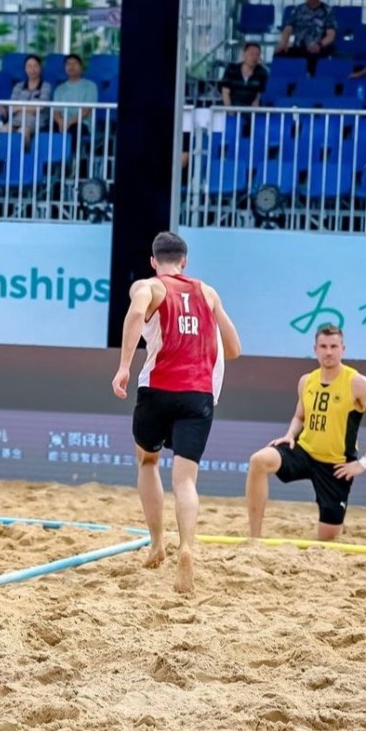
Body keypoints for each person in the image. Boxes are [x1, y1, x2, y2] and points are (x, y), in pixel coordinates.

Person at [111, 232, 241, 594]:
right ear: (184, 261)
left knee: (147, 461)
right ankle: (187, 547)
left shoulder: (150, 287)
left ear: (154, 261)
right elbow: (234, 348)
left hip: (158, 388)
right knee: (185, 481)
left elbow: (135, 315)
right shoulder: (207, 292)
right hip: (198, 393)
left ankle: (157, 542)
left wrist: (123, 367)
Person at [245, 324, 366, 542]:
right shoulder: (306, 381)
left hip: (336, 465)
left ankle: (334, 523)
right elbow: (300, 416)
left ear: (343, 349)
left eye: (334, 346)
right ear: (315, 349)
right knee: (259, 461)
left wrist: (362, 463)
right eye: (323, 346)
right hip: (304, 451)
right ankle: (254, 538)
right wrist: (290, 434)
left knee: (328, 537)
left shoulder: (357, 383)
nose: (328, 352)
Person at [275, 0, 336, 75]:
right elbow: (288, 29)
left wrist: (319, 45)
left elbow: (331, 35)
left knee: (313, 58)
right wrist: (284, 42)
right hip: (298, 48)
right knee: (279, 54)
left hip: (317, 49)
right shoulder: (298, 9)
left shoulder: (327, 11)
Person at [4, 54, 52, 148]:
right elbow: (11, 107)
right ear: (25, 69)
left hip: (36, 122)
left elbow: (41, 106)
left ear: (40, 68)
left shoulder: (46, 86)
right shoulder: (18, 86)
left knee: (22, 132)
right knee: (3, 130)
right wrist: (31, 109)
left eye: (35, 66)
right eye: (29, 66)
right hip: (16, 121)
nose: (32, 69)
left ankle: (24, 155)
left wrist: (19, 108)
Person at [219, 42, 267, 107]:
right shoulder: (232, 69)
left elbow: (261, 93)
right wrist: (229, 110)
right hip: (232, 107)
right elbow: (225, 92)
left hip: (251, 109)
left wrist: (257, 101)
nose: (254, 57)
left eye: (257, 54)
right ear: (244, 54)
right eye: (251, 54)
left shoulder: (262, 72)